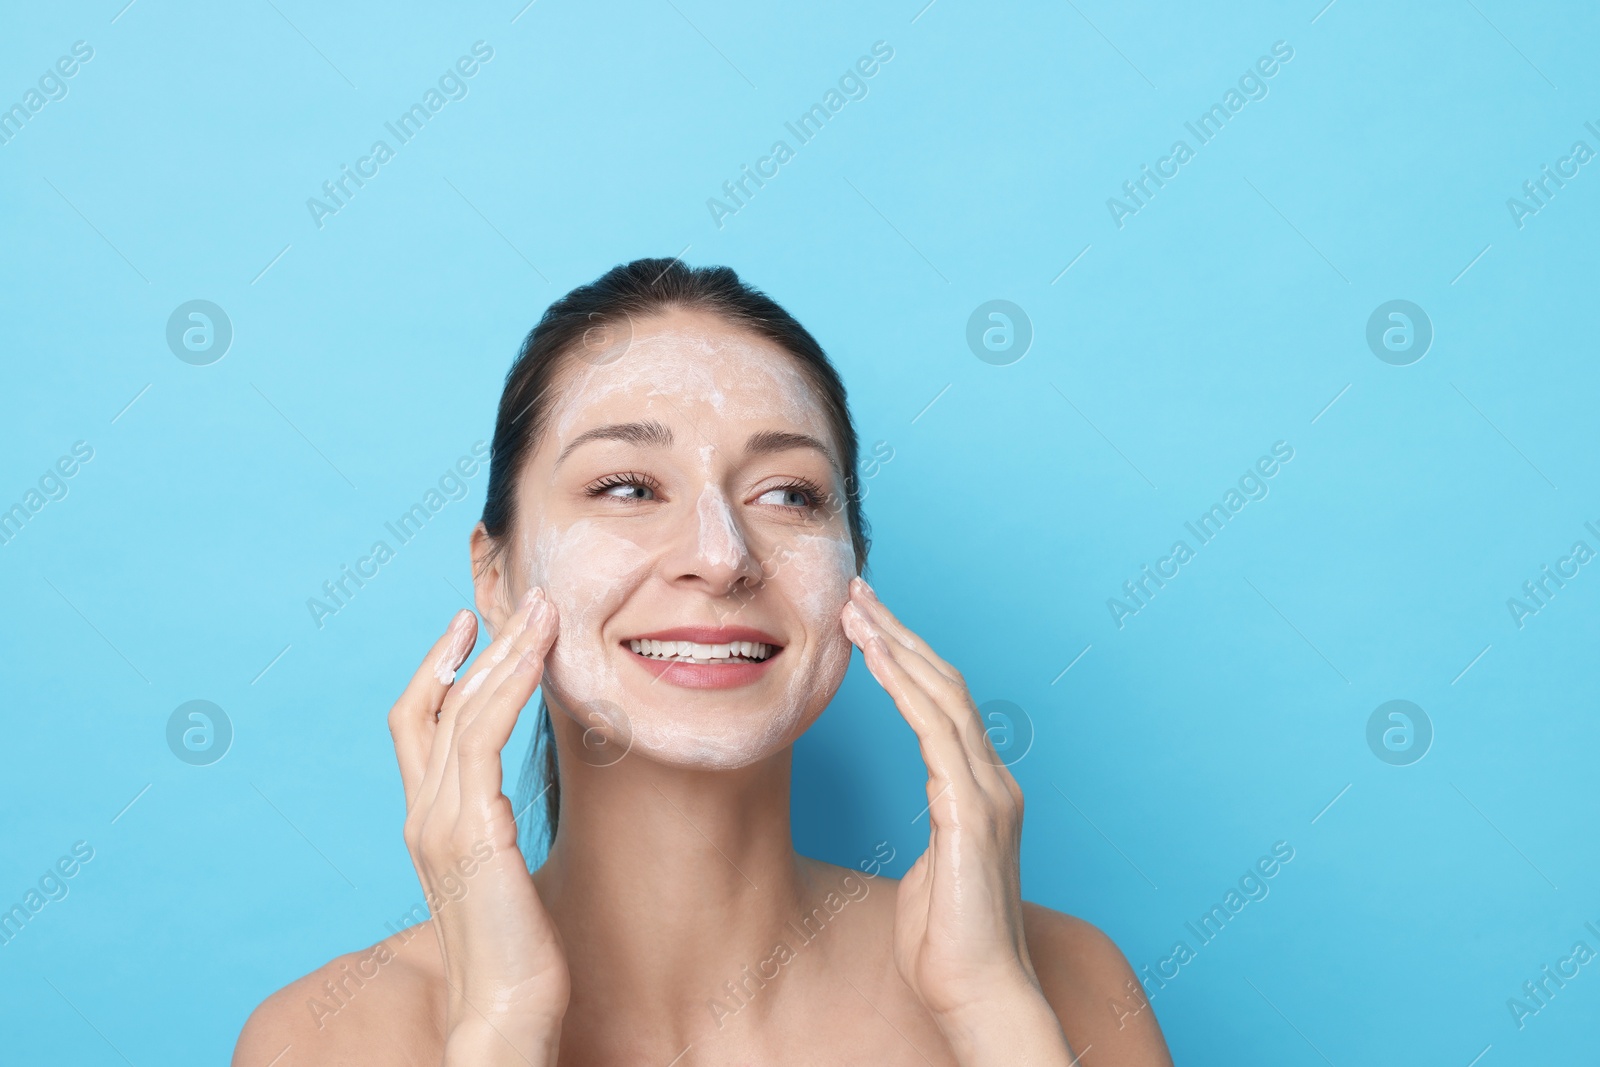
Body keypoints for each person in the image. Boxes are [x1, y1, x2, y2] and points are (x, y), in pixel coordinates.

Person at [233, 258, 1173, 1065]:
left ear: (854, 569)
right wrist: (502, 1026)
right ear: (498, 575)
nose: (722, 555)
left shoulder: (1064, 983)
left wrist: (993, 1015)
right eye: (628, 486)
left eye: (789, 495)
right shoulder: (332, 1036)